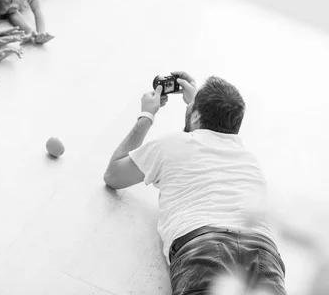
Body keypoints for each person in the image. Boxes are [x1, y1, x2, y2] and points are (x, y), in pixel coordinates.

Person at [103, 72, 287, 295]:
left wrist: (147, 114)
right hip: (262, 251)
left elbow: (113, 175)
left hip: (205, 247)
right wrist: (198, 104)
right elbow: (210, 126)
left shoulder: (173, 144)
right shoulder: (249, 160)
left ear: (197, 115)